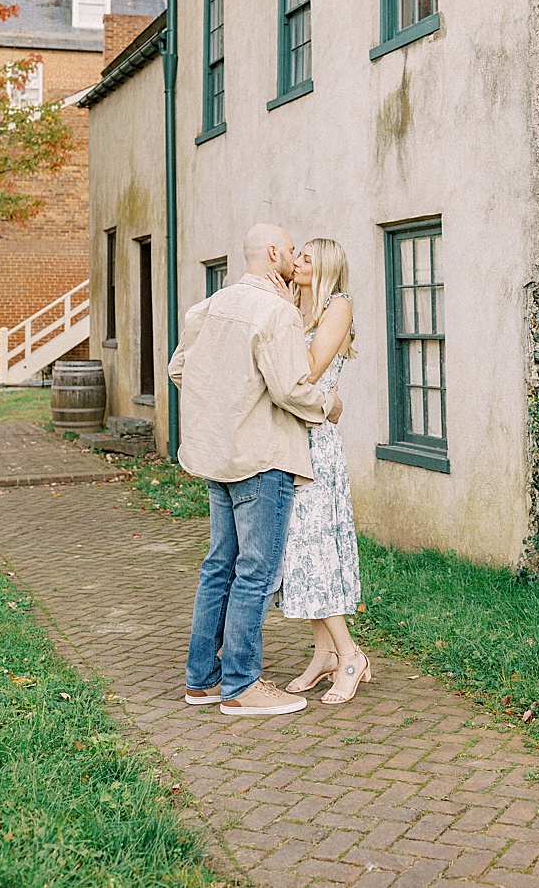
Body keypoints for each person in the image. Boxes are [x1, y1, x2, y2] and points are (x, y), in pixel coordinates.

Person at [172, 223, 344, 718]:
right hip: (262, 459)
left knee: (218, 567)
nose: (295, 258)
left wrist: (224, 405)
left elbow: (179, 368)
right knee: (255, 573)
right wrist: (328, 405)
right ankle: (242, 687)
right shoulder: (278, 312)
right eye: (291, 250)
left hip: (216, 458)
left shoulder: (209, 306)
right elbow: (290, 387)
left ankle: (201, 680)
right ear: (273, 253)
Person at [281, 238, 372, 705]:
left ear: (327, 267)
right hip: (292, 437)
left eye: (306, 258)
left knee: (316, 548)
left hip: (316, 444)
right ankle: (324, 656)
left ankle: (351, 654)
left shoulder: (339, 305)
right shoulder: (298, 308)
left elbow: (309, 372)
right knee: (300, 547)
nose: (295, 262)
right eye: (295, 255)